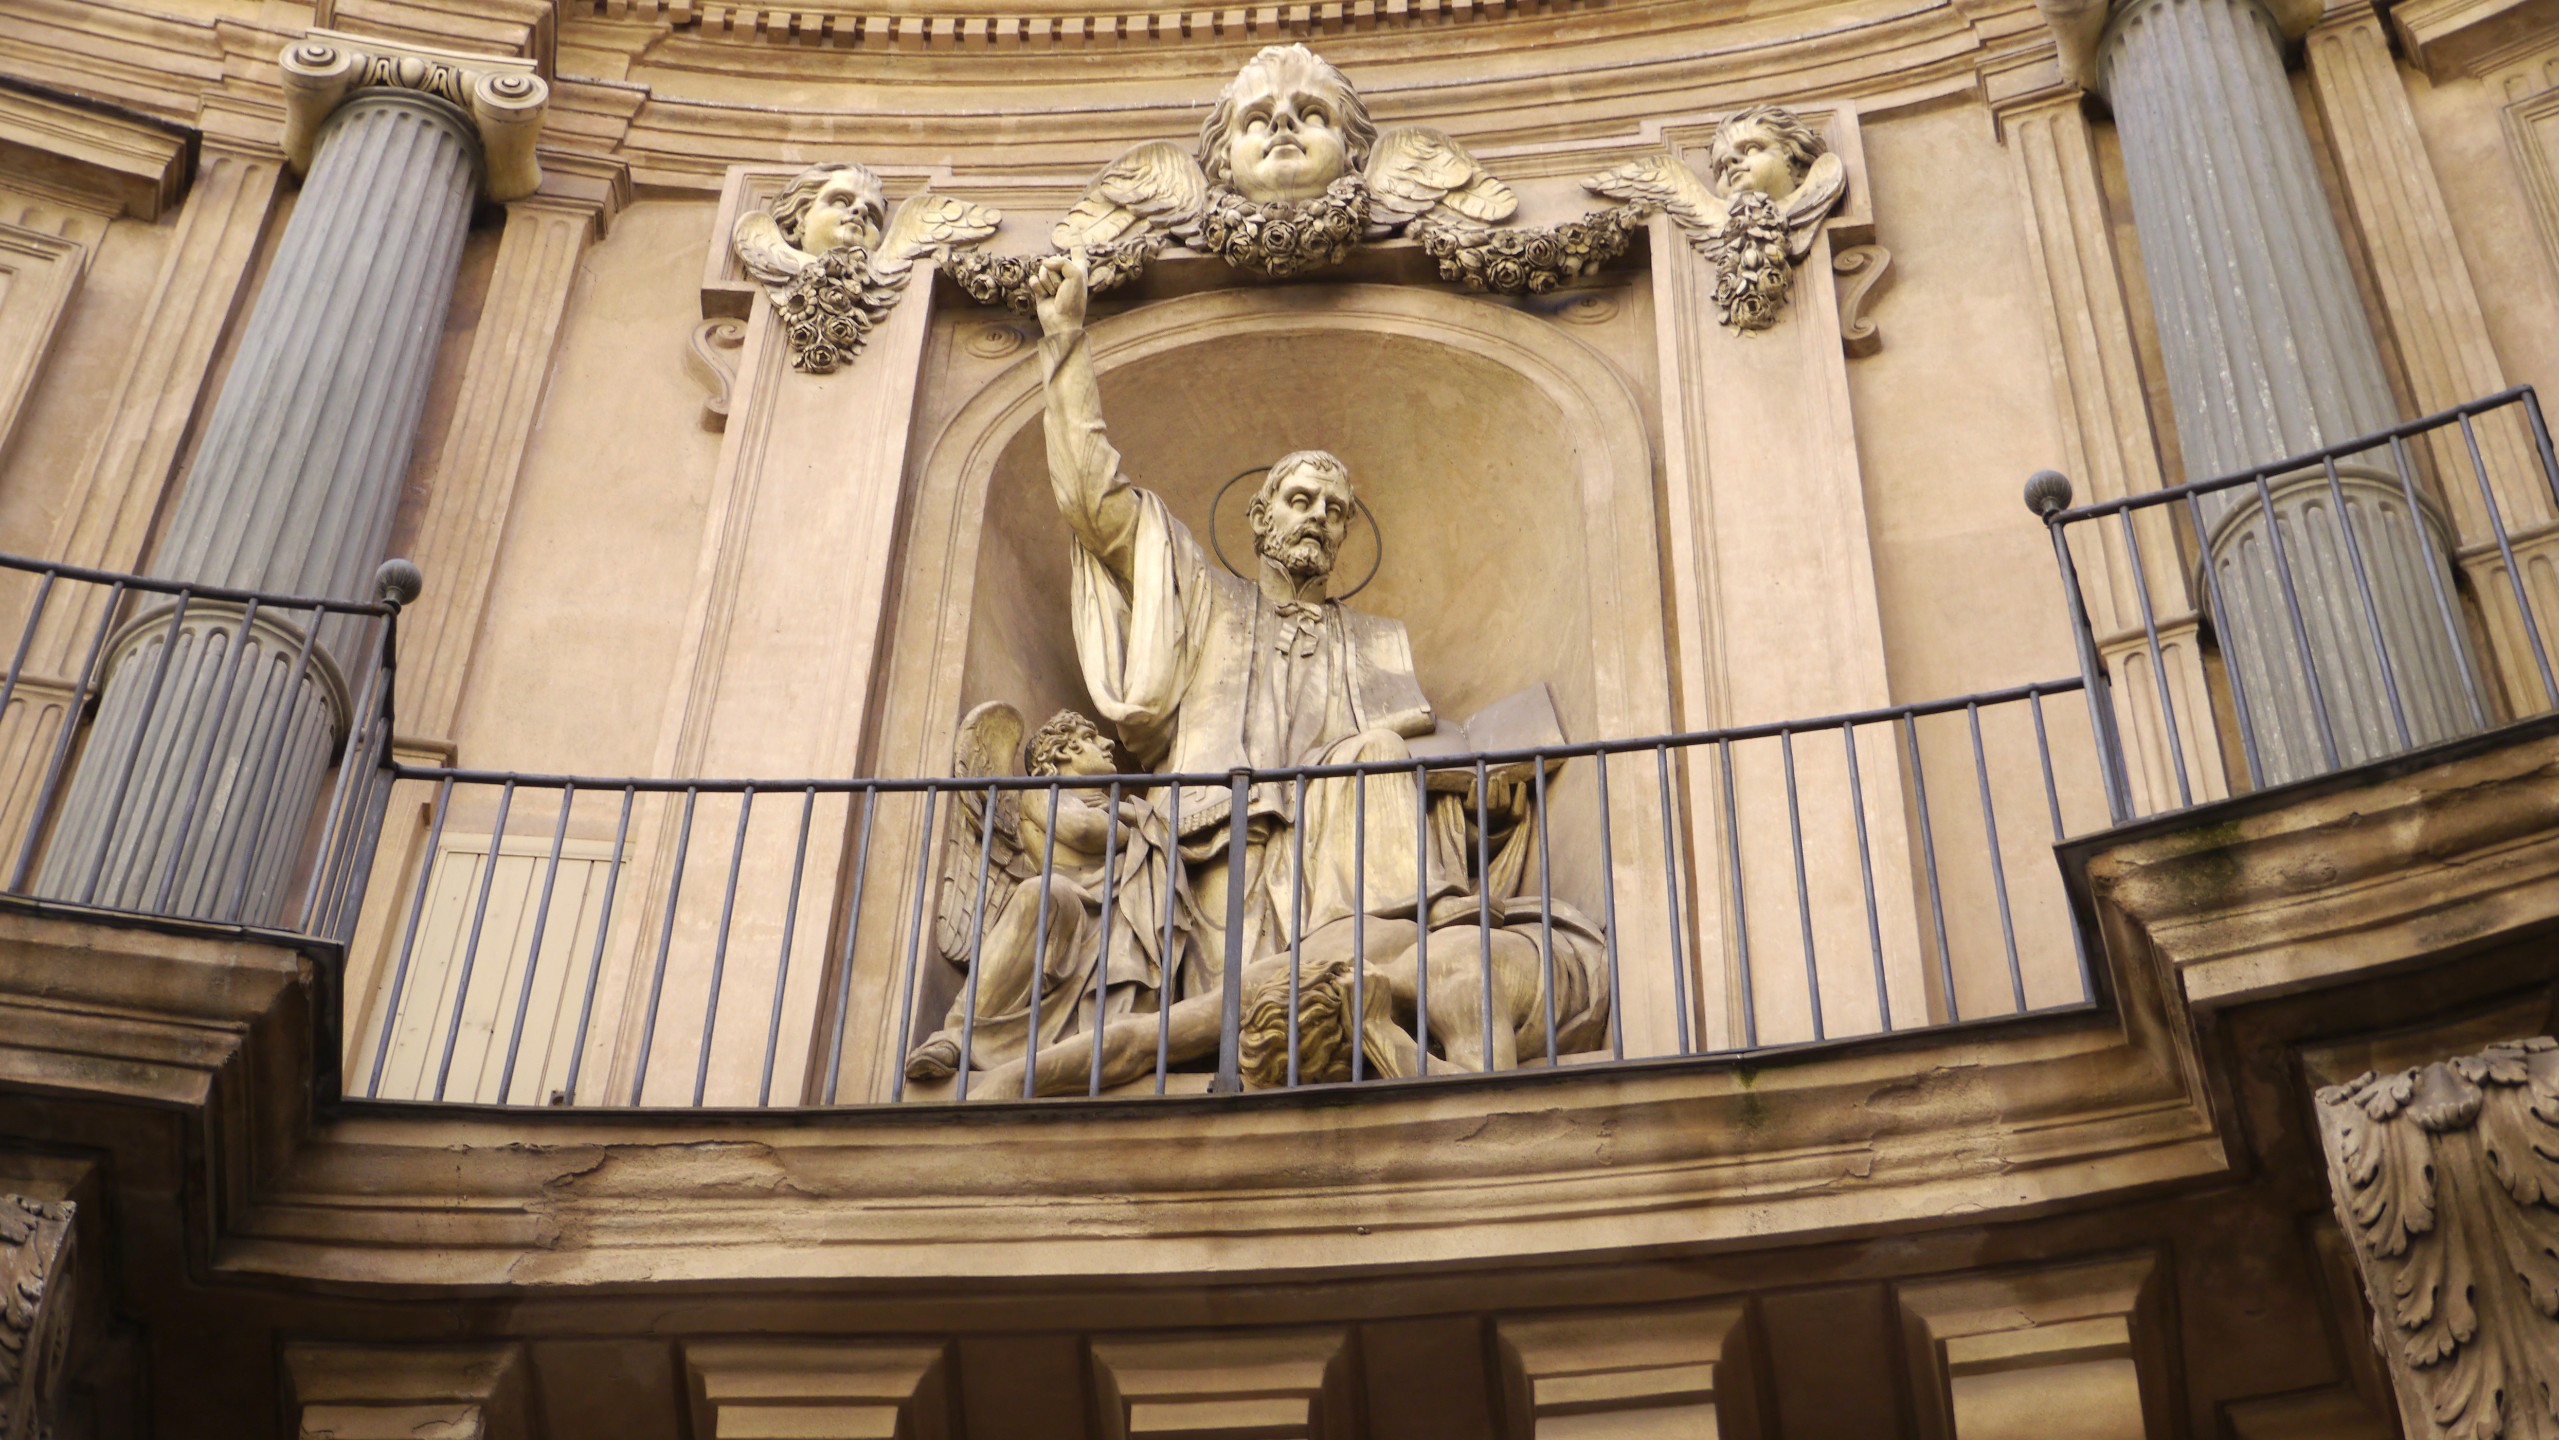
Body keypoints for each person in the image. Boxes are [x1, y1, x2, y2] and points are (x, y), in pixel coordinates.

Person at [904, 710, 1198, 1082]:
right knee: (1042, 893)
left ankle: (1103, 1040)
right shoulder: (1042, 794)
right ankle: (959, 1034)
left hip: (1114, 914)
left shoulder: (1121, 811)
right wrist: (1133, 821)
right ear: (1061, 752)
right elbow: (1083, 829)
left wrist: (1131, 819)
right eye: (1090, 738)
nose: (1108, 744)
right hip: (1065, 912)